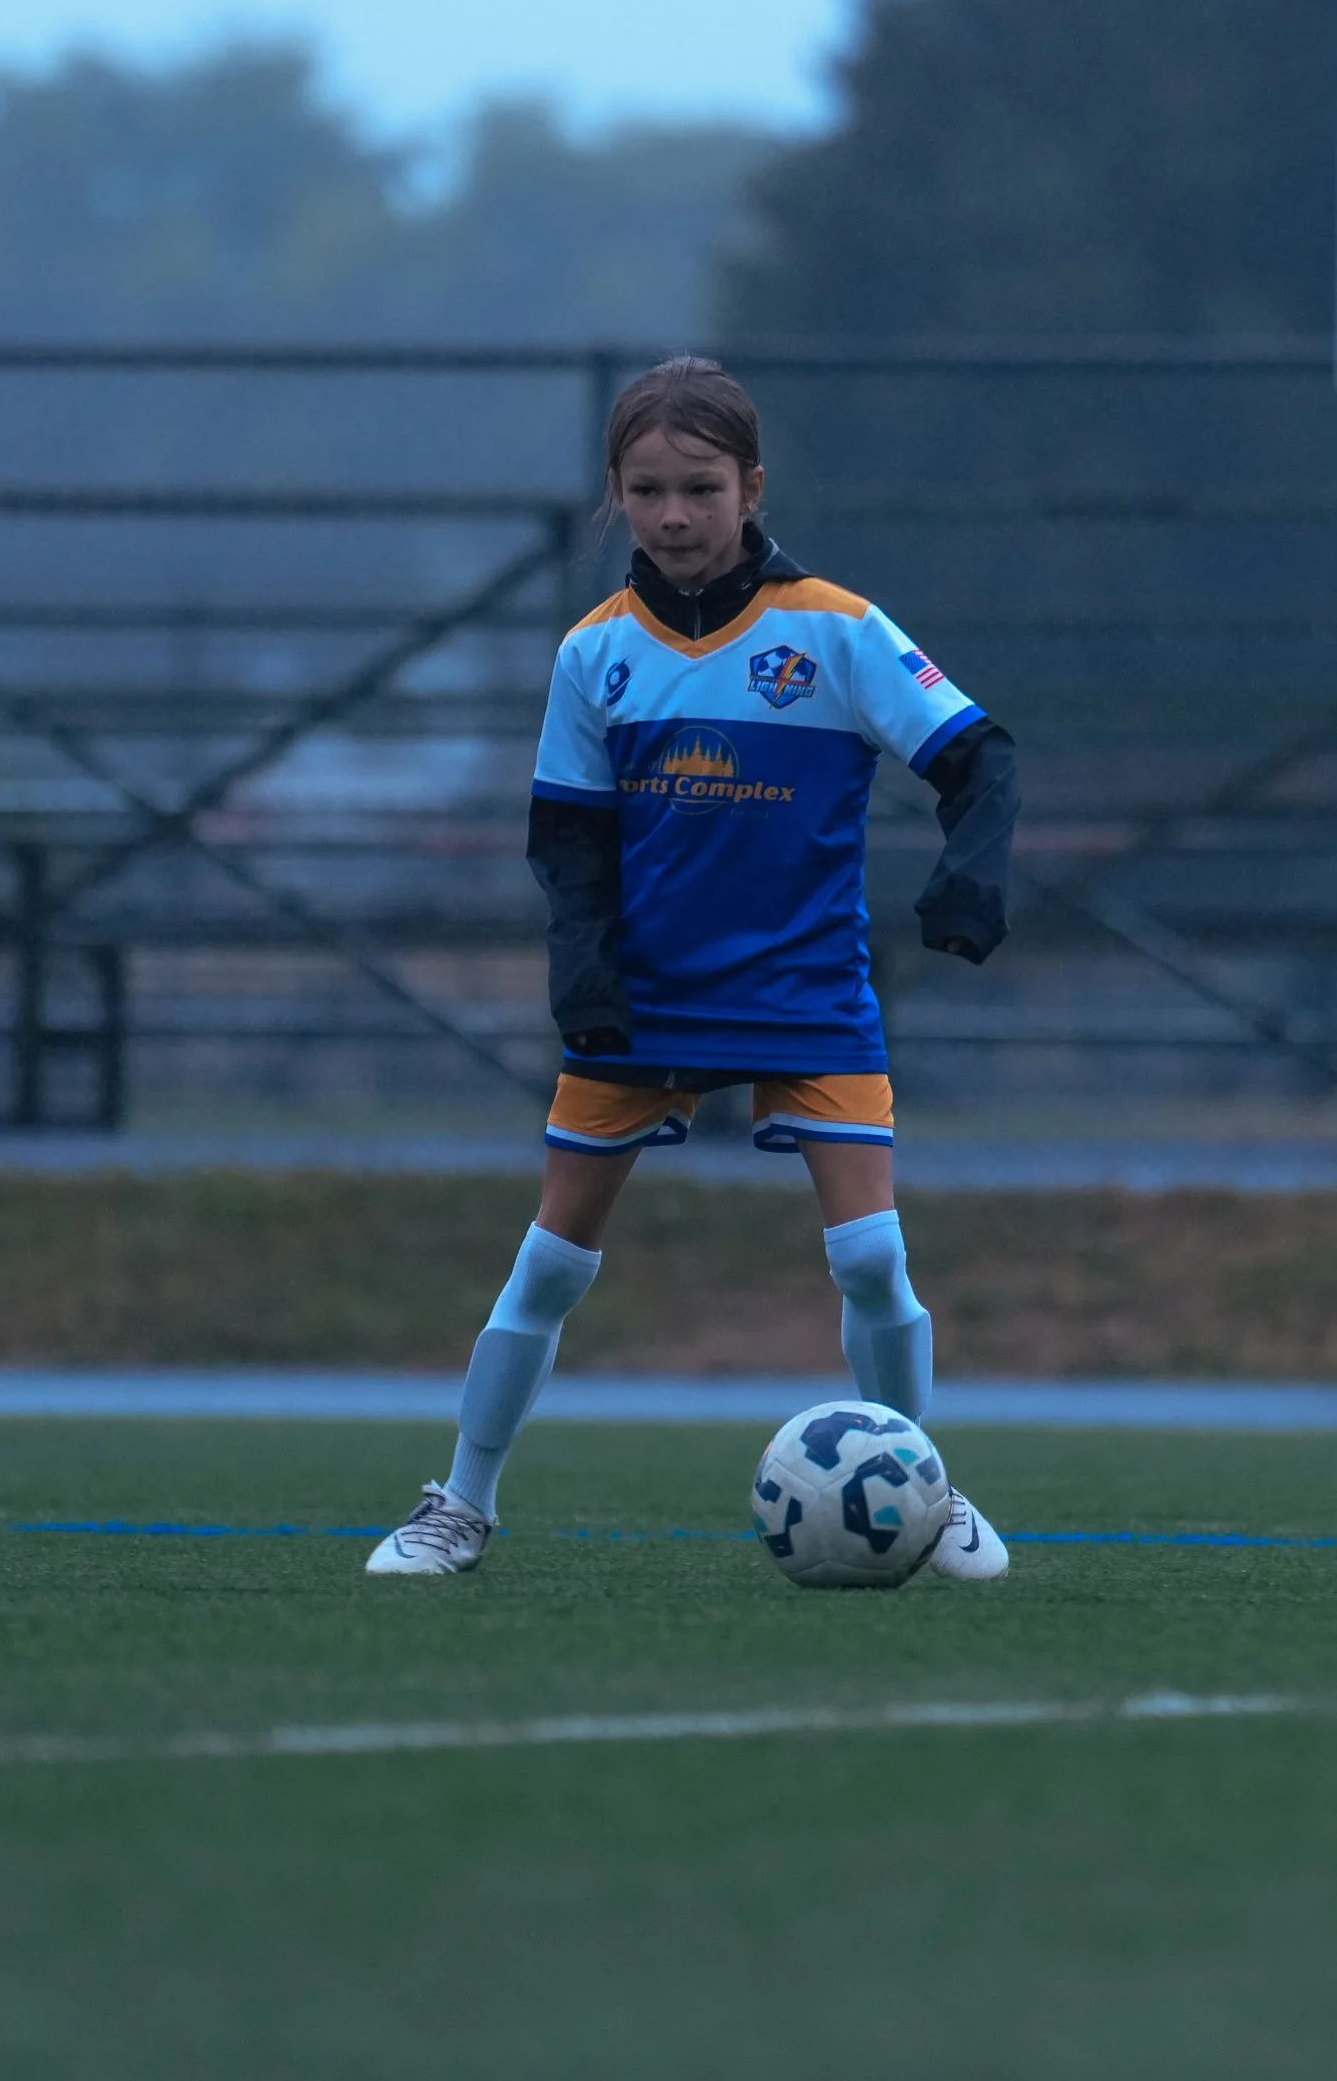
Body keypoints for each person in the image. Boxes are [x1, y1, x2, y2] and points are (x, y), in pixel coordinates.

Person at [367, 352, 1020, 1581]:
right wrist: (584, 973)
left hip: (807, 990)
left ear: (752, 487)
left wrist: (968, 876)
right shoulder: (593, 654)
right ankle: (460, 1501)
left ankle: (920, 1488)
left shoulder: (833, 628)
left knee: (871, 1256)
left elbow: (980, 756)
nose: (675, 515)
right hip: (646, 997)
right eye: (649, 489)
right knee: (551, 1262)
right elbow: (566, 839)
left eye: (701, 489)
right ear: (615, 494)